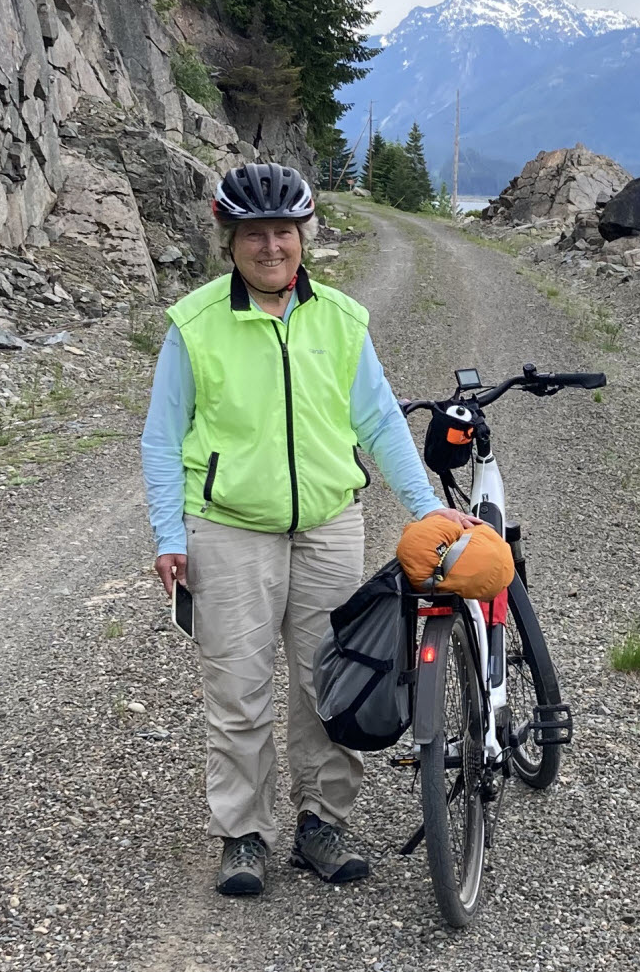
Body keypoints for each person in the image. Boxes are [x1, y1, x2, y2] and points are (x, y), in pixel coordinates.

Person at [140, 161, 462, 897]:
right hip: (227, 526)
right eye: (254, 234)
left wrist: (425, 507)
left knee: (332, 682)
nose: (270, 247)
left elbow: (379, 422)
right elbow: (161, 439)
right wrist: (169, 535)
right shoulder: (194, 325)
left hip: (327, 524)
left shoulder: (342, 320)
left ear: (303, 236)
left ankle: (322, 822)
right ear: (229, 240)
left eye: (283, 232)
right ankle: (244, 834)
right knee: (238, 688)